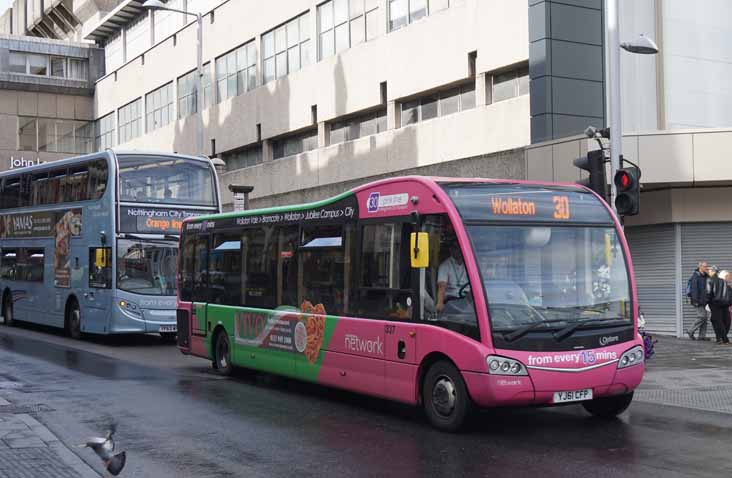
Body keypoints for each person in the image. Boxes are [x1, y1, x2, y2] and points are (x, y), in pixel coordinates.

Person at [436, 242, 468, 313]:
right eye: (456, 248)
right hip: (452, 300)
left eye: (460, 248)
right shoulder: (445, 265)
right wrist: (440, 303)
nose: (459, 250)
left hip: (467, 299)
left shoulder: (469, 264)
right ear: (451, 249)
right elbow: (442, 286)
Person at [707, 266, 730, 345]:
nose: (708, 272)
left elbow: (708, 293)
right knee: (718, 321)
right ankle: (721, 338)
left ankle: (723, 339)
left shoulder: (710, 280)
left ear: (714, 271)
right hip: (721, 303)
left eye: (710, 270)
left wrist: (707, 302)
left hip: (715, 303)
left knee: (718, 321)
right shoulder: (721, 281)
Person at [687, 262, 710, 340]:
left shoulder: (705, 276)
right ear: (700, 267)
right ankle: (690, 330)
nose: (706, 268)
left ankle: (702, 336)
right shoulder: (696, 276)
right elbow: (694, 290)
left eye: (707, 266)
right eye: (705, 266)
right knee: (702, 316)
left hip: (705, 301)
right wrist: (695, 301)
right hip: (698, 301)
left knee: (705, 318)